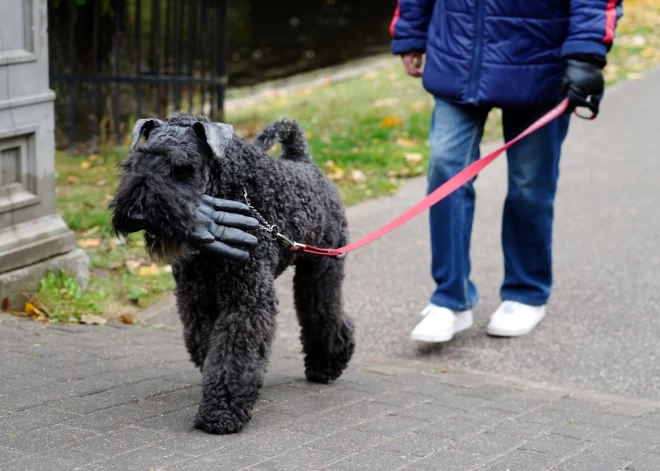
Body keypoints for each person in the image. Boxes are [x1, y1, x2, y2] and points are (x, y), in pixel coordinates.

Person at [390, 0, 623, 342]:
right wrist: (411, 33)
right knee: (445, 167)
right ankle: (451, 299)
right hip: (458, 56)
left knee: (530, 185)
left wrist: (586, 54)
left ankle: (525, 293)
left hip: (540, 61)